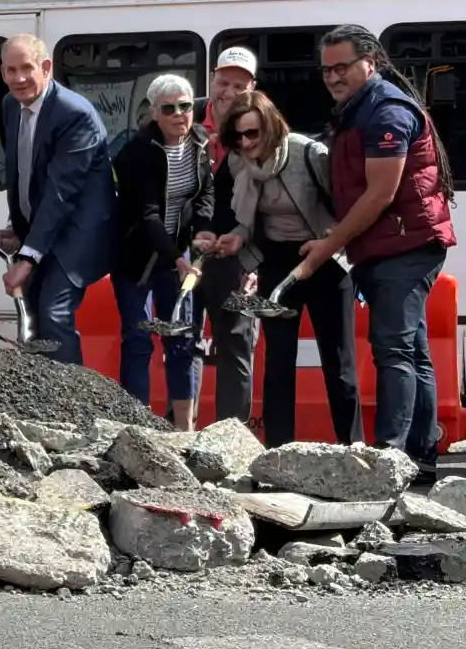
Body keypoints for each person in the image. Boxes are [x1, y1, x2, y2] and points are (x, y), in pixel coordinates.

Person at [300, 24, 457, 480]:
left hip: (405, 245)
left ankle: (390, 457)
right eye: (326, 69)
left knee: (392, 350)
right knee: (413, 351)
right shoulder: (357, 108)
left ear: (371, 61)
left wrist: (330, 244)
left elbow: (380, 194)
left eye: (342, 67)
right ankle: (421, 455)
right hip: (396, 242)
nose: (332, 77)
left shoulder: (385, 111)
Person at [209, 91, 363, 448]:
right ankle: (279, 452)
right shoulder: (238, 163)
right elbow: (246, 218)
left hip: (323, 257)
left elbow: (347, 205)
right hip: (277, 259)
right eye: (239, 136)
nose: (246, 143)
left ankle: (353, 447)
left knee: (338, 361)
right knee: (278, 362)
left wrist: (333, 237)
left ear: (272, 128)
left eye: (253, 134)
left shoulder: (308, 154)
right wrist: (236, 236)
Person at [0, 33, 116, 365]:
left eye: (26, 68)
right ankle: (40, 400)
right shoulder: (10, 105)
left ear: (46, 67)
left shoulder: (74, 113)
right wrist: (16, 226)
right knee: (31, 312)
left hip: (78, 230)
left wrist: (27, 257)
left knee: (53, 311)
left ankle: (71, 407)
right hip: (43, 230)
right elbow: (23, 172)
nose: (18, 78)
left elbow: (61, 191)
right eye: (10, 70)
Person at [111, 74, 213, 430]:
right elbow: (146, 216)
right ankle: (137, 427)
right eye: (169, 108)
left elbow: (205, 194)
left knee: (181, 338)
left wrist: (201, 232)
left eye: (186, 106)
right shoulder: (136, 153)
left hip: (177, 255)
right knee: (139, 339)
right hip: (137, 258)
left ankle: (184, 430)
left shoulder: (200, 143)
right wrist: (178, 258)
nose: (179, 114)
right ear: (154, 113)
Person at [191, 46, 261, 424]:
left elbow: (270, 199)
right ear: (212, 78)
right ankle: (181, 435)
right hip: (187, 252)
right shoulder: (182, 116)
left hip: (236, 255)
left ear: (252, 88)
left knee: (236, 344)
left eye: (239, 84)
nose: (228, 91)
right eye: (223, 81)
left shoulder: (262, 127)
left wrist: (251, 252)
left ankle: (231, 440)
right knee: (182, 343)